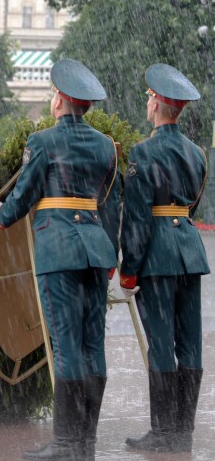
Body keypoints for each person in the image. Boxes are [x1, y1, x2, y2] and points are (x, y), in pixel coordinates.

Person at [0, 59, 120, 460]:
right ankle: (86, 441)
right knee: (92, 344)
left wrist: (0, 213)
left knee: (64, 346)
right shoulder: (105, 145)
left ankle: (66, 444)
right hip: (96, 249)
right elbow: (109, 202)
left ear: (60, 100)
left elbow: (23, 197)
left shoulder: (42, 141)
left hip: (59, 248)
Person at [120, 64, 209, 454]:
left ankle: (162, 432)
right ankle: (182, 432)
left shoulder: (142, 153)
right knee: (190, 343)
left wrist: (129, 270)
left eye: (149, 97)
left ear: (157, 104)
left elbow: (138, 219)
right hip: (190, 253)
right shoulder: (197, 152)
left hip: (157, 256)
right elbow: (190, 206)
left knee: (161, 344)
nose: (147, 101)